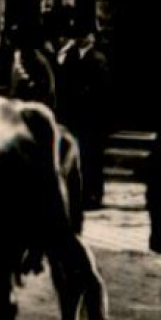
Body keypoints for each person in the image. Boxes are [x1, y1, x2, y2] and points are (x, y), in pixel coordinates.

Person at [56, 19, 111, 209]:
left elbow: (102, 90)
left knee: (93, 157)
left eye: (85, 36)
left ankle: (94, 194)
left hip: (92, 117)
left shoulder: (98, 59)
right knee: (78, 156)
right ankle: (81, 193)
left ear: (92, 38)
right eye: (78, 36)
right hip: (75, 115)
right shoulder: (70, 57)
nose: (81, 39)